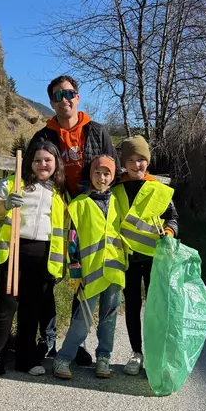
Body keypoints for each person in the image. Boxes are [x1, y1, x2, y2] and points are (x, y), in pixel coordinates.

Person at [31, 74, 118, 366]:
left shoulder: (97, 132)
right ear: (51, 102)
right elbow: (30, 170)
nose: (64, 100)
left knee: (83, 280)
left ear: (77, 97)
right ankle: (48, 340)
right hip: (54, 214)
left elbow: (113, 171)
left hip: (88, 216)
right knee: (49, 277)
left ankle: (76, 343)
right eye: (57, 96)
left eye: (68, 94)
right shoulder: (44, 136)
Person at [0, 138, 68, 378]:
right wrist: (5, 204)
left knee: (32, 307)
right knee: (6, 304)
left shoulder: (59, 192)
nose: (42, 164)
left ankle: (25, 358)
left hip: (42, 256)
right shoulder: (13, 183)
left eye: (48, 160)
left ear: (56, 163)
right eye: (37, 160)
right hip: (12, 250)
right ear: (29, 162)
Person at [53, 155, 126, 379]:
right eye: (97, 173)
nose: (101, 178)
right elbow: (72, 241)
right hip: (89, 272)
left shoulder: (119, 202)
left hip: (114, 269)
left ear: (112, 177)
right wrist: (75, 271)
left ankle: (104, 358)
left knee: (109, 318)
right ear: (91, 174)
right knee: (82, 319)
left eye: (107, 174)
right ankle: (64, 358)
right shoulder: (79, 204)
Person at [113, 136, 178, 376]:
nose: (136, 165)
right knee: (131, 306)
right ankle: (136, 352)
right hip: (128, 259)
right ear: (124, 163)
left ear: (147, 162)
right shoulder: (116, 190)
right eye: (130, 160)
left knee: (155, 308)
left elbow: (173, 218)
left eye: (141, 159)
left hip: (154, 259)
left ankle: (154, 354)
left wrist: (169, 232)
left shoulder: (159, 189)